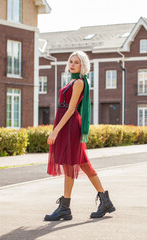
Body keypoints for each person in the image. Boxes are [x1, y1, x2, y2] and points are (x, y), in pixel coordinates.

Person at [44, 50, 116, 221]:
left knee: (77, 163)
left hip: (70, 126)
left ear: (83, 65)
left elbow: (70, 109)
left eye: (76, 62)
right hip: (66, 124)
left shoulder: (79, 82)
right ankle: (75, 205)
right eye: (71, 61)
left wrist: (55, 131)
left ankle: (66, 207)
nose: (72, 64)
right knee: (78, 164)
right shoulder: (72, 81)